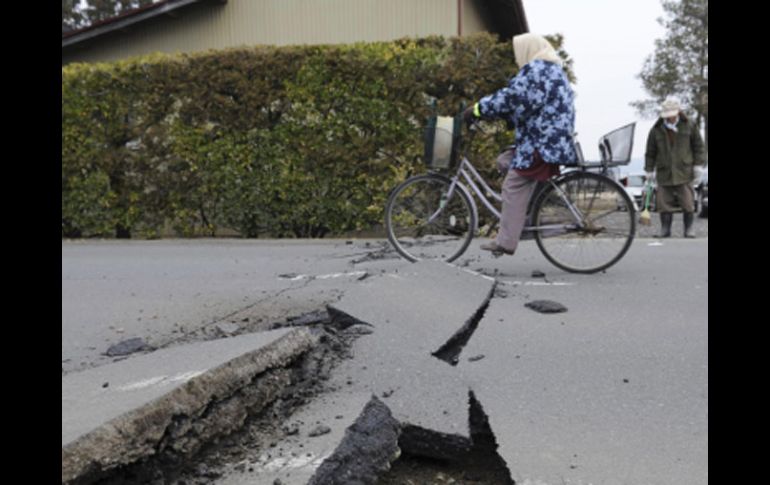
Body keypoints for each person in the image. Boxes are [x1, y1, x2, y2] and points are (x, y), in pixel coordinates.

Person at [463, 33, 578, 256]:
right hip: (549, 139)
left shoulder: (536, 70)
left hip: (542, 143)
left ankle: (506, 241)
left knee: (513, 186)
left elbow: (511, 97)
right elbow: (530, 104)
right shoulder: (551, 69)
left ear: (528, 50)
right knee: (504, 160)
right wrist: (510, 119)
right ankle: (522, 214)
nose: (517, 58)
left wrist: (477, 109)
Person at [644, 97, 706, 238]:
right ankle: (665, 230)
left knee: (688, 203)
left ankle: (688, 229)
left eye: (672, 113)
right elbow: (650, 152)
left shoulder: (689, 125)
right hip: (664, 172)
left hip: (684, 171)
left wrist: (698, 165)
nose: (670, 117)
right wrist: (649, 169)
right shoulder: (656, 129)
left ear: (678, 111)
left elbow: (699, 147)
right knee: (663, 204)